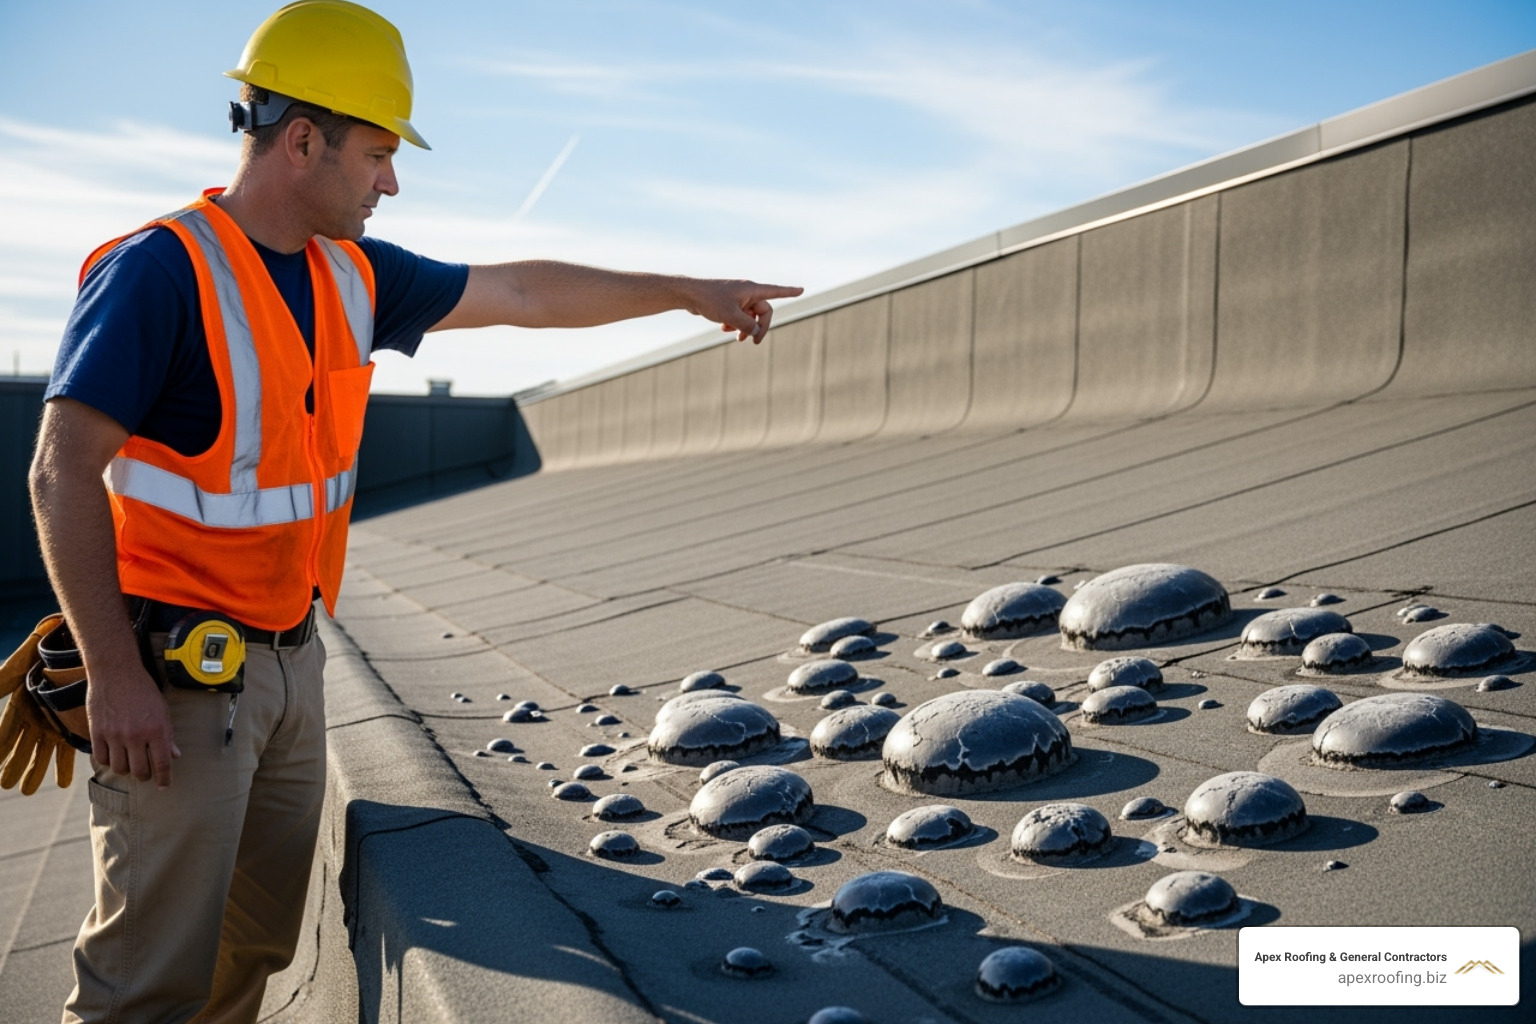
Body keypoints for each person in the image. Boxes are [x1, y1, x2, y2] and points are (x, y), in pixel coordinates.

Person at [26, 2, 801, 1021]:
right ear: (302, 139)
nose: (391, 181)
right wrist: (116, 676)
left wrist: (686, 290)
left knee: (249, 951)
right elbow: (58, 471)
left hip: (293, 665)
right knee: (146, 986)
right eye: (378, 154)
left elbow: (522, 291)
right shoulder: (162, 271)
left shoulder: (351, 274)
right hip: (175, 687)